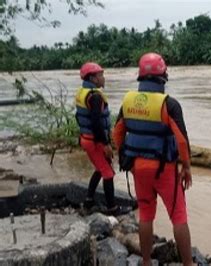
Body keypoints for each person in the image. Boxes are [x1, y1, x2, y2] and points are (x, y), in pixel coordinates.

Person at [113, 53, 193, 266]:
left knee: (146, 215)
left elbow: (117, 134)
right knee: (178, 216)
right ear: (163, 77)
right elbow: (182, 141)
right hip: (164, 169)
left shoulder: (128, 102)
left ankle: (146, 261)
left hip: (139, 168)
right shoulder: (170, 104)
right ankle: (188, 264)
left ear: (141, 78)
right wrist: (186, 167)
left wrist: (126, 158)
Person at [75, 62, 125, 215]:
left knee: (100, 168)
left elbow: (80, 117)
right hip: (94, 141)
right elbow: (96, 123)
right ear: (93, 78)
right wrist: (105, 144)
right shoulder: (95, 97)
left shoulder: (84, 92)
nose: (103, 78)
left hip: (87, 138)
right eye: (101, 75)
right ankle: (112, 208)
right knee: (108, 173)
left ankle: (89, 201)